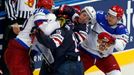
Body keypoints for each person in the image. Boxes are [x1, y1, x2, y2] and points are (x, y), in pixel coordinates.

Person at [4, 0, 59, 75]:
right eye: (50, 9)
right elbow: (46, 30)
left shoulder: (37, 13)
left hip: (21, 50)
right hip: (18, 50)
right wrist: (58, 23)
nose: (51, 11)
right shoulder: (41, 13)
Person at [79, 5, 129, 75]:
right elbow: (89, 19)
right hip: (85, 52)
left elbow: (121, 47)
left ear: (119, 18)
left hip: (104, 57)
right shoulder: (100, 16)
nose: (109, 18)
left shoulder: (122, 29)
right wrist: (87, 15)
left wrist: (112, 39)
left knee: (116, 74)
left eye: (112, 17)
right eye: (109, 15)